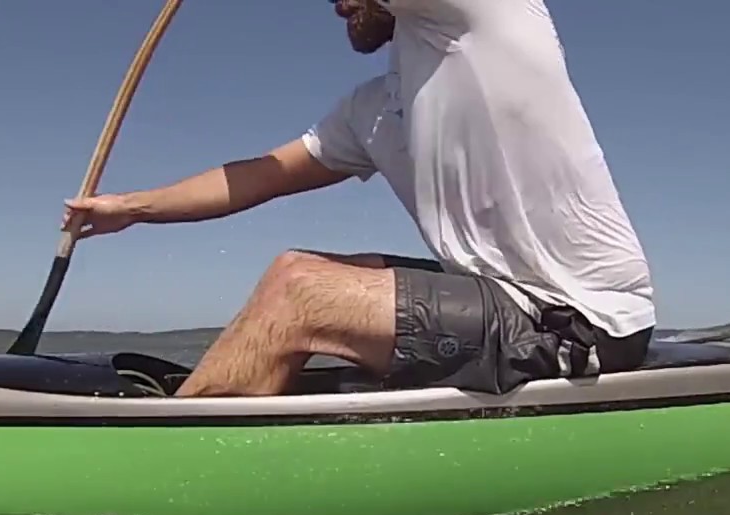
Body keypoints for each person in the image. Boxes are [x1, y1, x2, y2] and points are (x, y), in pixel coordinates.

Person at [62, 0, 656, 398]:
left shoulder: (490, 15)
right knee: (318, 271)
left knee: (299, 288)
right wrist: (131, 208)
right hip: (504, 303)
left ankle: (170, 464)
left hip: (582, 320)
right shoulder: (373, 110)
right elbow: (259, 176)